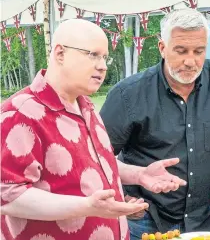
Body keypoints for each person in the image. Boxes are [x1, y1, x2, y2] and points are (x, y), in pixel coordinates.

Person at [100, 8, 210, 238]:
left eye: (199, 51)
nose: (190, 61)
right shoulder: (128, 94)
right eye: (181, 50)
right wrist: (118, 194)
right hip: (145, 216)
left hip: (199, 216)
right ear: (162, 48)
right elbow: (96, 157)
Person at [0, 19, 187, 240]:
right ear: (60, 53)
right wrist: (87, 206)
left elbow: (95, 162)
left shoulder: (86, 105)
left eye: (105, 57)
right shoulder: (20, 113)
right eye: (93, 55)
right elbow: (9, 196)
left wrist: (140, 174)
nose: (103, 65)